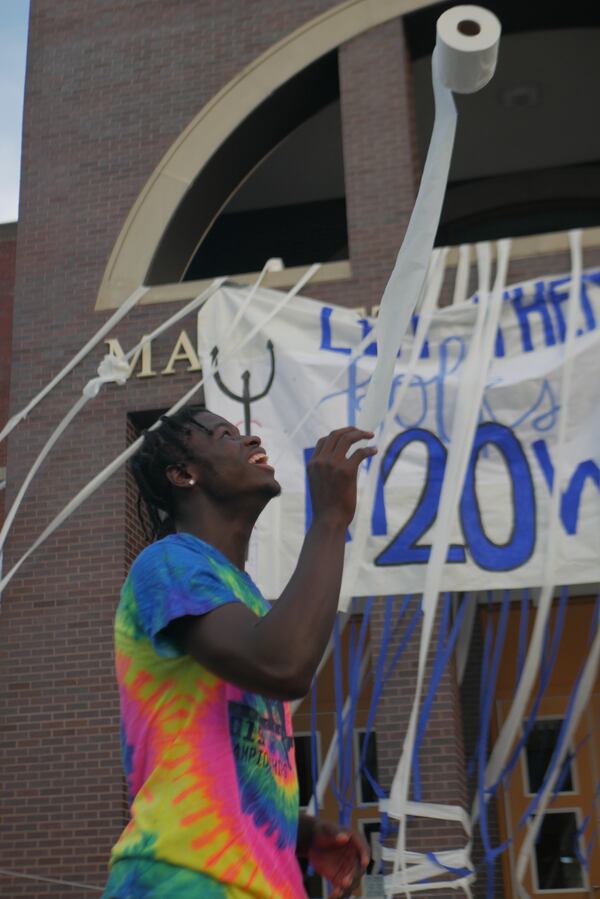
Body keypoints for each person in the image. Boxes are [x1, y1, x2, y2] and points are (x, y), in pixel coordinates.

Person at [101, 405, 376, 898]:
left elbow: (226, 752)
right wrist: (331, 518)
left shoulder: (240, 595)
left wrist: (296, 830)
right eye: (225, 435)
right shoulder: (168, 563)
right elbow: (283, 666)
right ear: (184, 474)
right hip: (179, 879)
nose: (249, 440)